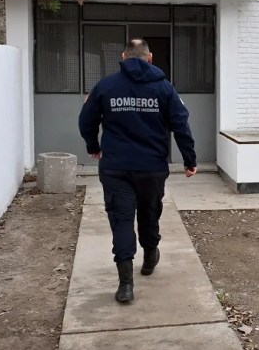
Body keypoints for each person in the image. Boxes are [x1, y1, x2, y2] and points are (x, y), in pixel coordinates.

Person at [78, 39, 197, 304]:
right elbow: (181, 125)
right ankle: (150, 254)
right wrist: (189, 160)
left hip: (116, 167)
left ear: (123, 56)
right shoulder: (165, 89)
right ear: (150, 58)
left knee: (121, 220)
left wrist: (93, 146)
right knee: (149, 212)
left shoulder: (106, 86)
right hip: (151, 167)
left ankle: (126, 285)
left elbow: (86, 120)